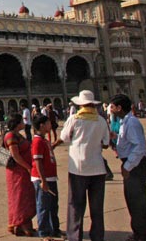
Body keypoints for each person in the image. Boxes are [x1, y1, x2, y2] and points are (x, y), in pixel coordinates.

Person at [55, 90, 110, 241]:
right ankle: (97, 236)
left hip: (78, 168)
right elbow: (106, 144)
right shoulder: (101, 121)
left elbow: (65, 138)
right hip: (98, 168)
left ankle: (74, 237)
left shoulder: (74, 119)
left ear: (80, 104)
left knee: (75, 205)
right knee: (97, 207)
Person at [110, 94, 146, 241]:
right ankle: (140, 232)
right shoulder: (125, 122)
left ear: (119, 108)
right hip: (132, 163)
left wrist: (127, 166)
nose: (110, 109)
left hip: (135, 164)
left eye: (112, 106)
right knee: (132, 201)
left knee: (137, 201)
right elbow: (128, 142)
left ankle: (144, 235)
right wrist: (115, 138)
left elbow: (139, 147)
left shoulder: (132, 122)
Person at [4, 113, 36, 236]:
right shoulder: (11, 135)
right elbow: (15, 156)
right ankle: (21, 223)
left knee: (24, 196)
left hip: (22, 171)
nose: (24, 123)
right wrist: (28, 167)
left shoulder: (18, 135)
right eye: (21, 121)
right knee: (19, 197)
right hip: (17, 172)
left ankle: (19, 224)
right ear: (17, 124)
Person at [31, 114, 62, 240]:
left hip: (51, 177)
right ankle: (44, 233)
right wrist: (43, 180)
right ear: (42, 125)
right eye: (48, 123)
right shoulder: (37, 141)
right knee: (43, 206)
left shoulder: (44, 140)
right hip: (42, 178)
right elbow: (38, 162)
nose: (50, 125)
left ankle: (55, 229)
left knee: (53, 205)